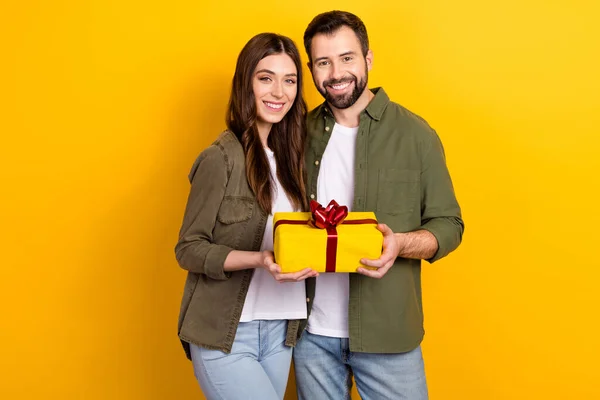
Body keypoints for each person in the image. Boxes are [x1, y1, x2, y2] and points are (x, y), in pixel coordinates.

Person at [293, 11, 465, 399]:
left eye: (347, 58)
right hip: (311, 337)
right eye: (324, 62)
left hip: (389, 337)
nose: (336, 73)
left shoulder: (416, 134)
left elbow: (449, 225)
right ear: (311, 68)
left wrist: (400, 244)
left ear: (368, 59)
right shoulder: (296, 134)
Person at [174, 33, 317, 400]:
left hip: (282, 328)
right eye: (265, 78)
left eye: (289, 81)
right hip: (228, 334)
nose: (279, 92)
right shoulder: (219, 158)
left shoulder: (294, 162)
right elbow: (189, 249)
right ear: (245, 83)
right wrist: (260, 259)